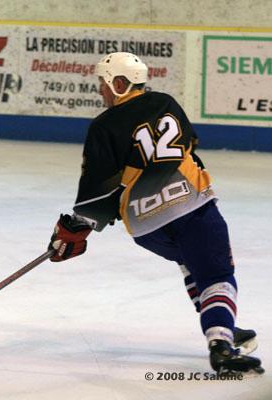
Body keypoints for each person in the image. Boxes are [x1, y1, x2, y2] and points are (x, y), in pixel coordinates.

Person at [48, 52, 263, 375]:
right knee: (216, 276)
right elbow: (189, 140)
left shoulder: (103, 126)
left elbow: (98, 189)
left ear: (119, 84)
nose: (101, 91)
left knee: (190, 263)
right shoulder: (166, 102)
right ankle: (221, 343)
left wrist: (78, 225)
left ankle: (220, 323)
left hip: (146, 227)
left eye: (103, 84)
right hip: (191, 207)